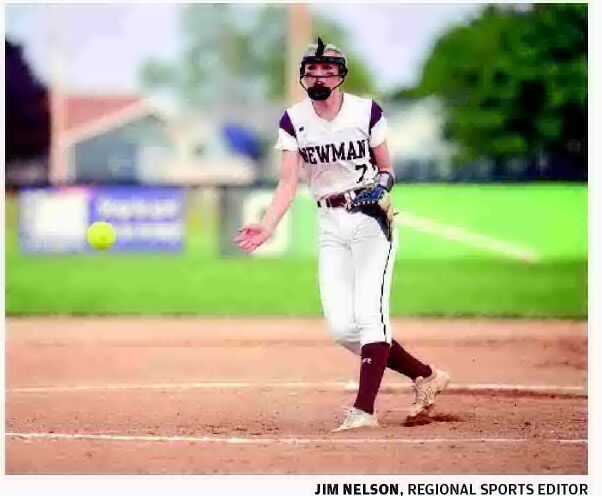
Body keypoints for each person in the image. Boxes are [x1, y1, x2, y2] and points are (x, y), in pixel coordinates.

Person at [234, 38, 449, 431]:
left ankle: (364, 411)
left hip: (369, 218)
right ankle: (425, 375)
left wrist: (380, 188)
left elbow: (387, 169)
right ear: (303, 75)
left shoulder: (366, 112)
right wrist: (267, 224)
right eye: (312, 69)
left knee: (371, 317)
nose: (319, 75)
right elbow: (287, 184)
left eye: (327, 69)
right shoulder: (293, 120)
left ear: (340, 75)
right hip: (328, 221)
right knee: (342, 329)